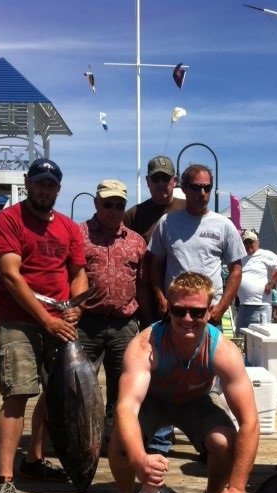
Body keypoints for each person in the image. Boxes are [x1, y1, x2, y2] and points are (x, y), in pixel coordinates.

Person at [104, 272, 260, 493]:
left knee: (224, 442)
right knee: (121, 441)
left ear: (210, 312)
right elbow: (127, 407)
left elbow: (249, 421)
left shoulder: (223, 350)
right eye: (179, 311)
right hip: (154, 401)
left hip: (196, 401)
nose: (188, 319)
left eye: (197, 313)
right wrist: (140, 458)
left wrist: (237, 489)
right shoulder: (145, 345)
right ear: (168, 309)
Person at [0, 158, 88, 493]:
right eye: (39, 182)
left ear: (58, 189)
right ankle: (4, 481)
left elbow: (78, 273)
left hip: (59, 321)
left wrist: (75, 304)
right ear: (27, 183)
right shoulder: (8, 220)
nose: (45, 189)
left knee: (56, 391)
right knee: (19, 392)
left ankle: (34, 458)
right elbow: (11, 275)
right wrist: (45, 318)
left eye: (51, 184)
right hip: (20, 321)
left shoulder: (69, 228)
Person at [78, 179, 148, 453]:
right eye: (108, 203)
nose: (114, 209)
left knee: (123, 388)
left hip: (124, 324)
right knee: (83, 389)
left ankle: (115, 441)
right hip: (87, 323)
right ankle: (86, 440)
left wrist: (146, 320)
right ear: (96, 203)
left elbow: (141, 283)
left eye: (120, 205)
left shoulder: (136, 241)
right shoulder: (78, 234)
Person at [123, 155, 186, 455]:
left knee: (186, 371)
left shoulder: (187, 210)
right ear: (148, 182)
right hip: (145, 304)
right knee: (153, 371)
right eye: (155, 178)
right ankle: (159, 435)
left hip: (183, 308)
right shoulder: (133, 215)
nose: (161, 183)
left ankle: (193, 430)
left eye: (166, 178)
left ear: (175, 181)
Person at [149, 164, 246, 327]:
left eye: (207, 188)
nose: (202, 193)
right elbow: (155, 265)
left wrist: (222, 307)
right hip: (176, 313)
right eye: (196, 187)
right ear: (184, 188)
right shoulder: (167, 222)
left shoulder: (224, 225)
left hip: (208, 314)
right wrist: (161, 299)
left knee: (212, 353)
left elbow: (236, 270)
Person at [235, 229, 277, 335]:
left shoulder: (265, 254)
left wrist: (272, 282)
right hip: (242, 306)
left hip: (260, 306)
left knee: (258, 338)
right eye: (245, 242)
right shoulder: (242, 258)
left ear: (257, 242)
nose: (248, 245)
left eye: (251, 242)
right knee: (240, 340)